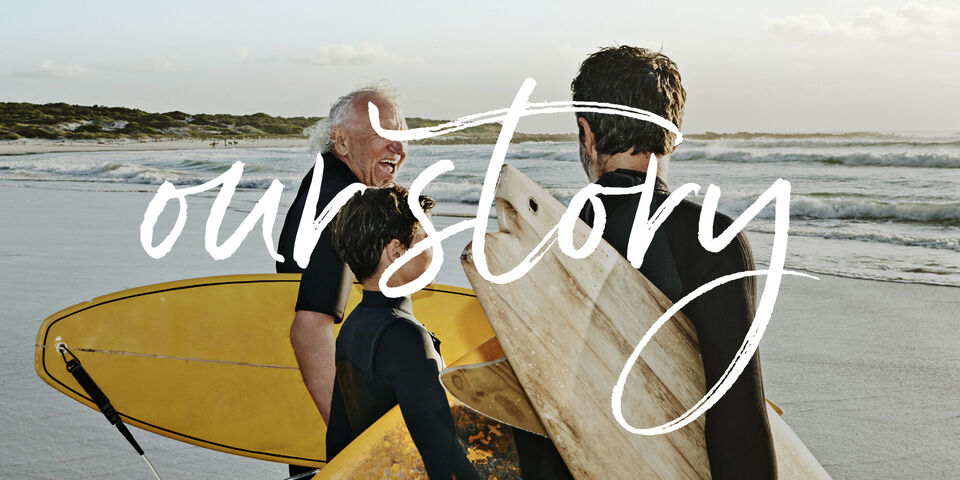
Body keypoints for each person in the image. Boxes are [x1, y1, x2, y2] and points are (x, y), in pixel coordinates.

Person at [513, 46, 778, 479]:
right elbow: (736, 419)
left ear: (587, 133)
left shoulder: (546, 237)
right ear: (673, 133)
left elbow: (529, 393)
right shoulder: (711, 239)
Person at [274, 85, 406, 476]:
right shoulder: (344, 202)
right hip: (332, 423)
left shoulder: (321, 186)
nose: (398, 147)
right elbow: (310, 326)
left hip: (307, 409)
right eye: (384, 131)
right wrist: (355, 442)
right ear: (341, 140)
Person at [327, 185, 480, 480]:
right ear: (397, 251)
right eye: (426, 239)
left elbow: (339, 439)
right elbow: (444, 456)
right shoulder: (406, 338)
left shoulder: (355, 325)